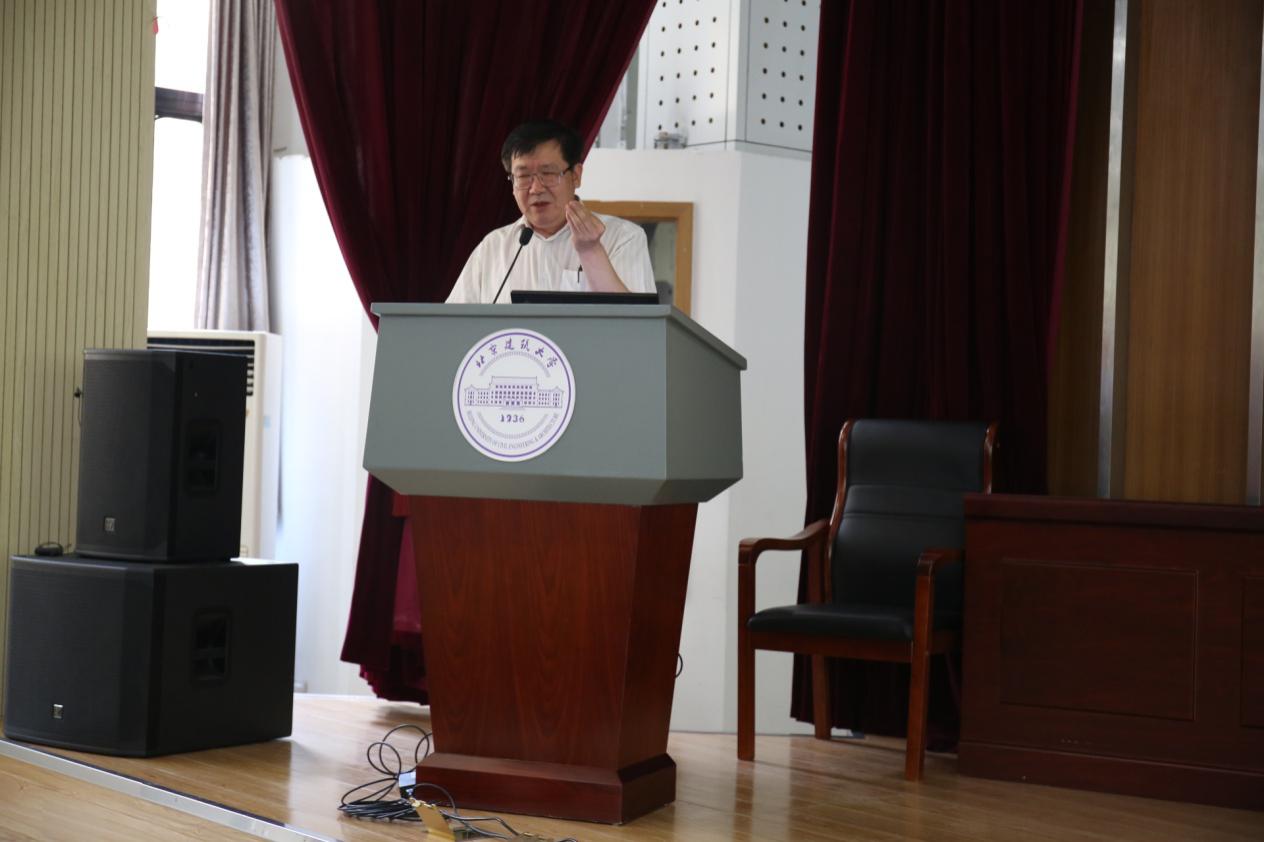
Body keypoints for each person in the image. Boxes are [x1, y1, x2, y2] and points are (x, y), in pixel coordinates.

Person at [445, 120, 656, 303]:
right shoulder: (492, 248)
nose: (536, 188)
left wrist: (591, 251)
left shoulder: (622, 238)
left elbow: (637, 326)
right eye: (523, 176)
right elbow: (452, 326)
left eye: (548, 173)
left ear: (576, 176)